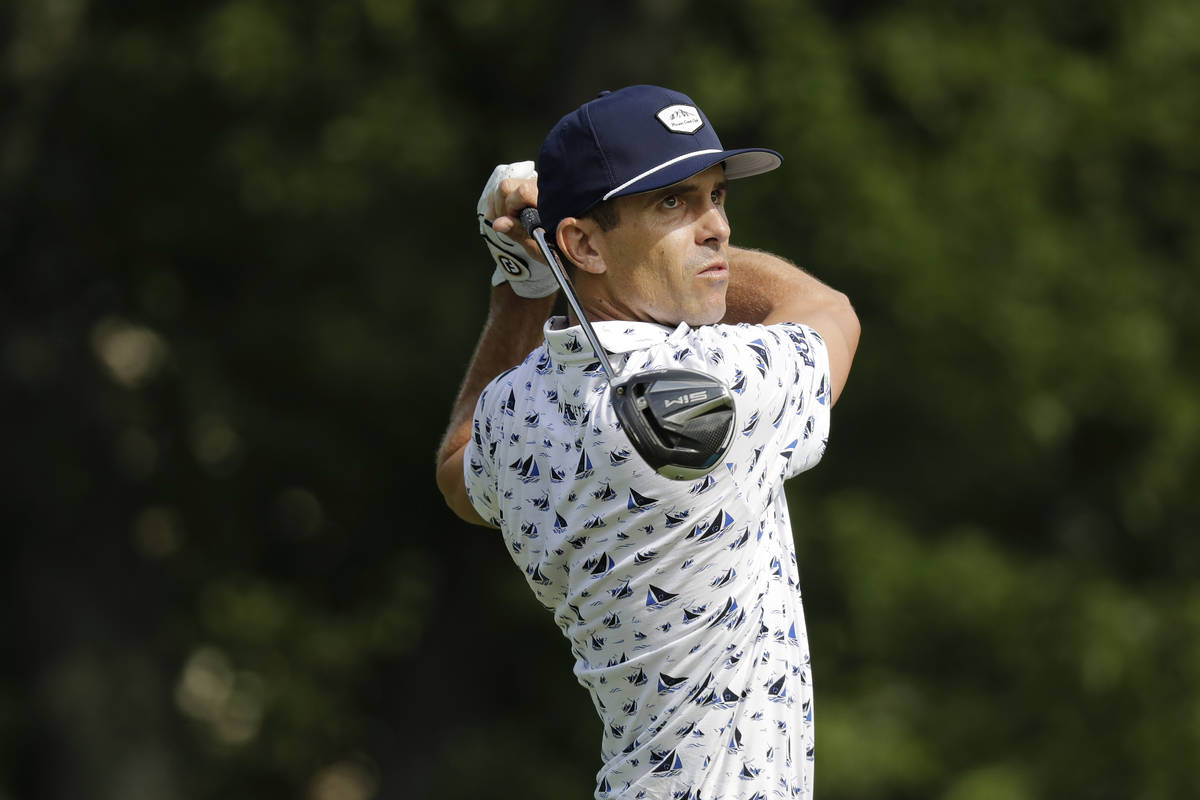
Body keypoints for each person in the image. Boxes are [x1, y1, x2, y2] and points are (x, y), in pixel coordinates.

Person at [436, 85, 859, 800]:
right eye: (673, 203)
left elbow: (457, 469)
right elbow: (830, 313)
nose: (717, 228)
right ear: (584, 243)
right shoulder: (707, 387)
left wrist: (522, 282)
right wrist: (547, 260)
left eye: (717, 197)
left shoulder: (517, 411)